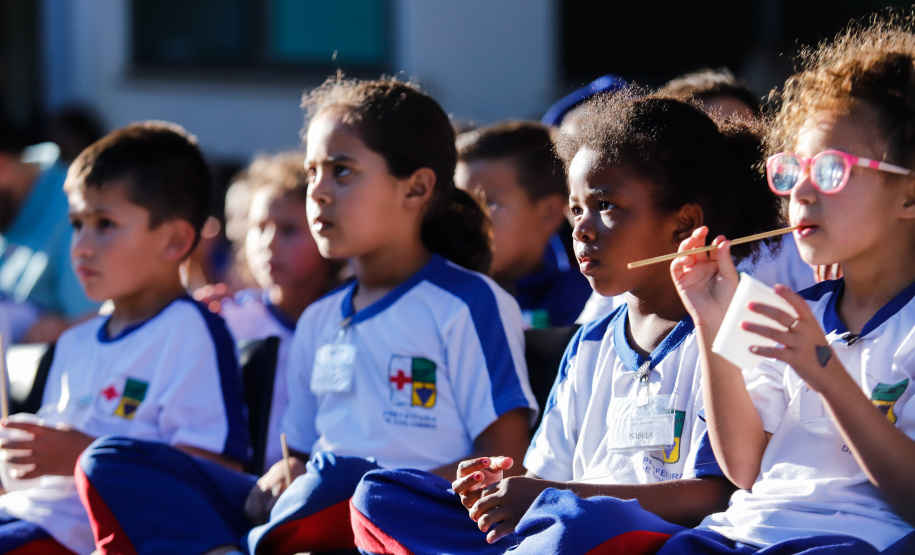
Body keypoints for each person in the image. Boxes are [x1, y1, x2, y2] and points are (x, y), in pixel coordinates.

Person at [75, 78, 539, 555]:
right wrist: (286, 472)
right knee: (110, 460)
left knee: (352, 482)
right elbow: (297, 456)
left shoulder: (468, 302)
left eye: (342, 171)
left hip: (406, 518)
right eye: (313, 171)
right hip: (312, 509)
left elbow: (502, 464)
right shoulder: (319, 318)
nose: (317, 192)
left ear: (416, 188)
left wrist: (381, 489)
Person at [509, 13, 915, 554]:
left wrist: (827, 375)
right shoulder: (795, 310)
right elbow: (744, 470)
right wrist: (712, 323)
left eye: (833, 170)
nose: (803, 193)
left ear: (909, 195)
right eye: (792, 171)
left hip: (849, 541)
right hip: (741, 535)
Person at [349, 90, 785, 554]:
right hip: (561, 526)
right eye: (576, 209)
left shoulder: (732, 326)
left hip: (647, 539)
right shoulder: (591, 342)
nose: (582, 229)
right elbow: (547, 474)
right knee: (381, 496)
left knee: (580, 526)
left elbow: (716, 494)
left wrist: (559, 498)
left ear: (683, 225)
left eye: (607, 205)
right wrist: (503, 485)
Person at [0, 121, 249, 554]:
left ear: (174, 240)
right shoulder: (76, 341)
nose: (81, 246)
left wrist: (83, 455)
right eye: (77, 224)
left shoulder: (190, 333)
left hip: (91, 532)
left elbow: (212, 471)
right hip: (37, 513)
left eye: (105, 223)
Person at [219, 151, 344, 471]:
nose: (269, 243)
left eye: (289, 230)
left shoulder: (348, 324)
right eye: (260, 227)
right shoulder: (229, 322)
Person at [455, 121, 591, 327]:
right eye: (460, 202)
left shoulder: (582, 299)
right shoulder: (435, 288)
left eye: (489, 203)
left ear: (549, 214)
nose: (467, 216)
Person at [0, 119, 100, 343]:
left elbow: (98, 322)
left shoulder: (75, 204)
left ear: (3, 167)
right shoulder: (12, 203)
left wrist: (56, 330)